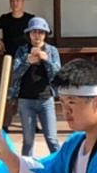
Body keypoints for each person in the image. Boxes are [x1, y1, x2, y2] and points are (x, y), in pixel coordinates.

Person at [10, 17, 61, 156]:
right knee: (28, 140)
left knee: (52, 139)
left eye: (41, 32)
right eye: (34, 32)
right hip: (26, 100)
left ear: (45, 34)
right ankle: (26, 171)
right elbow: (15, 73)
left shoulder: (51, 51)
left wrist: (47, 60)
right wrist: (28, 61)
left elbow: (58, 73)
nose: (37, 35)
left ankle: (60, 168)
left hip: (46, 99)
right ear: (29, 34)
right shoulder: (22, 51)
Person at [0, 0, 35, 132]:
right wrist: (0, 42)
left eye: (18, 0)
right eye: (13, 0)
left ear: (23, 2)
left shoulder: (30, 19)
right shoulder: (5, 19)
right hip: (11, 59)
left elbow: (44, 31)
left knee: (29, 91)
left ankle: (33, 124)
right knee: (9, 92)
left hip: (28, 59)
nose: (15, 3)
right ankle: (5, 123)